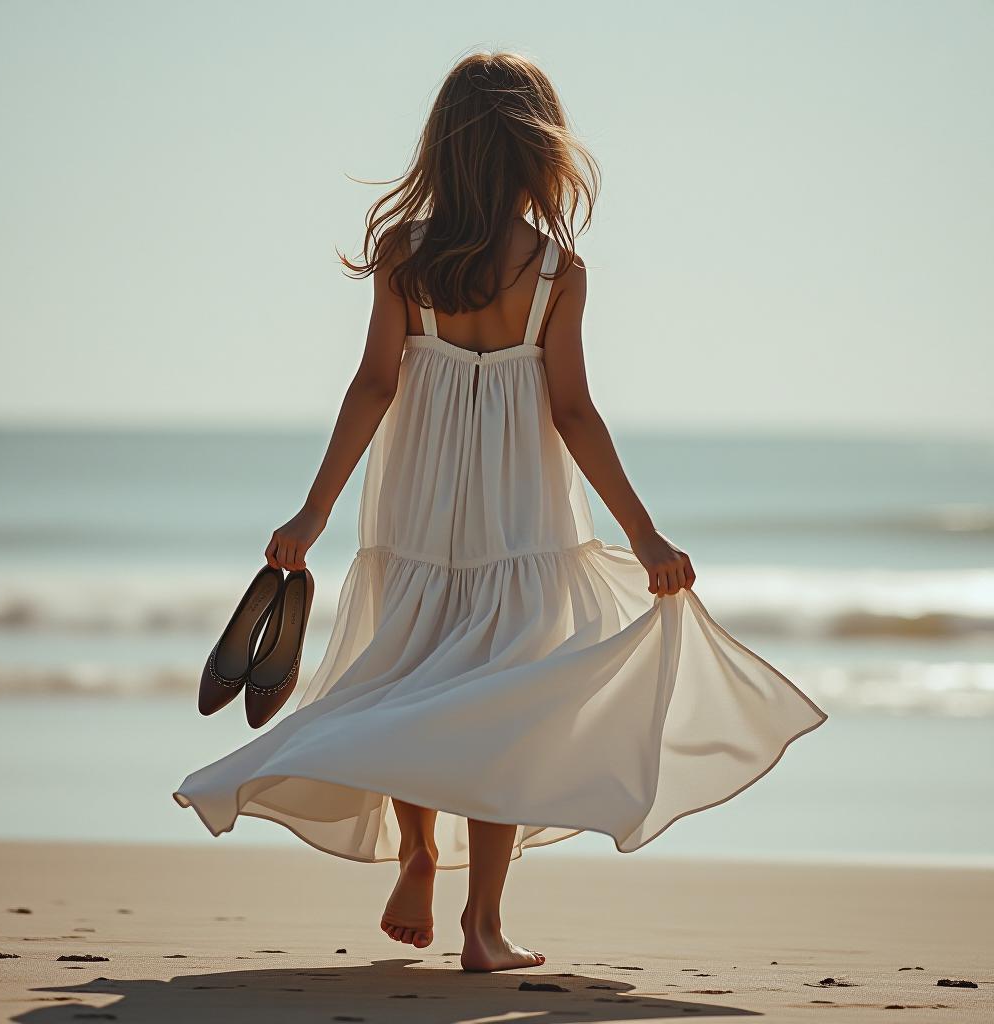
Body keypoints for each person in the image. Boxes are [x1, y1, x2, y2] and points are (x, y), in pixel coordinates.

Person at [174, 50, 826, 973]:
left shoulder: (405, 259)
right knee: (503, 703)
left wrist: (314, 513)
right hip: (523, 518)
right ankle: (483, 923)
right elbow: (572, 412)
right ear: (536, 153)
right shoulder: (557, 272)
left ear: (443, 148)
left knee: (409, 673)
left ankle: (415, 854)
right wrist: (645, 536)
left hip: (418, 512)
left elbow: (371, 386)